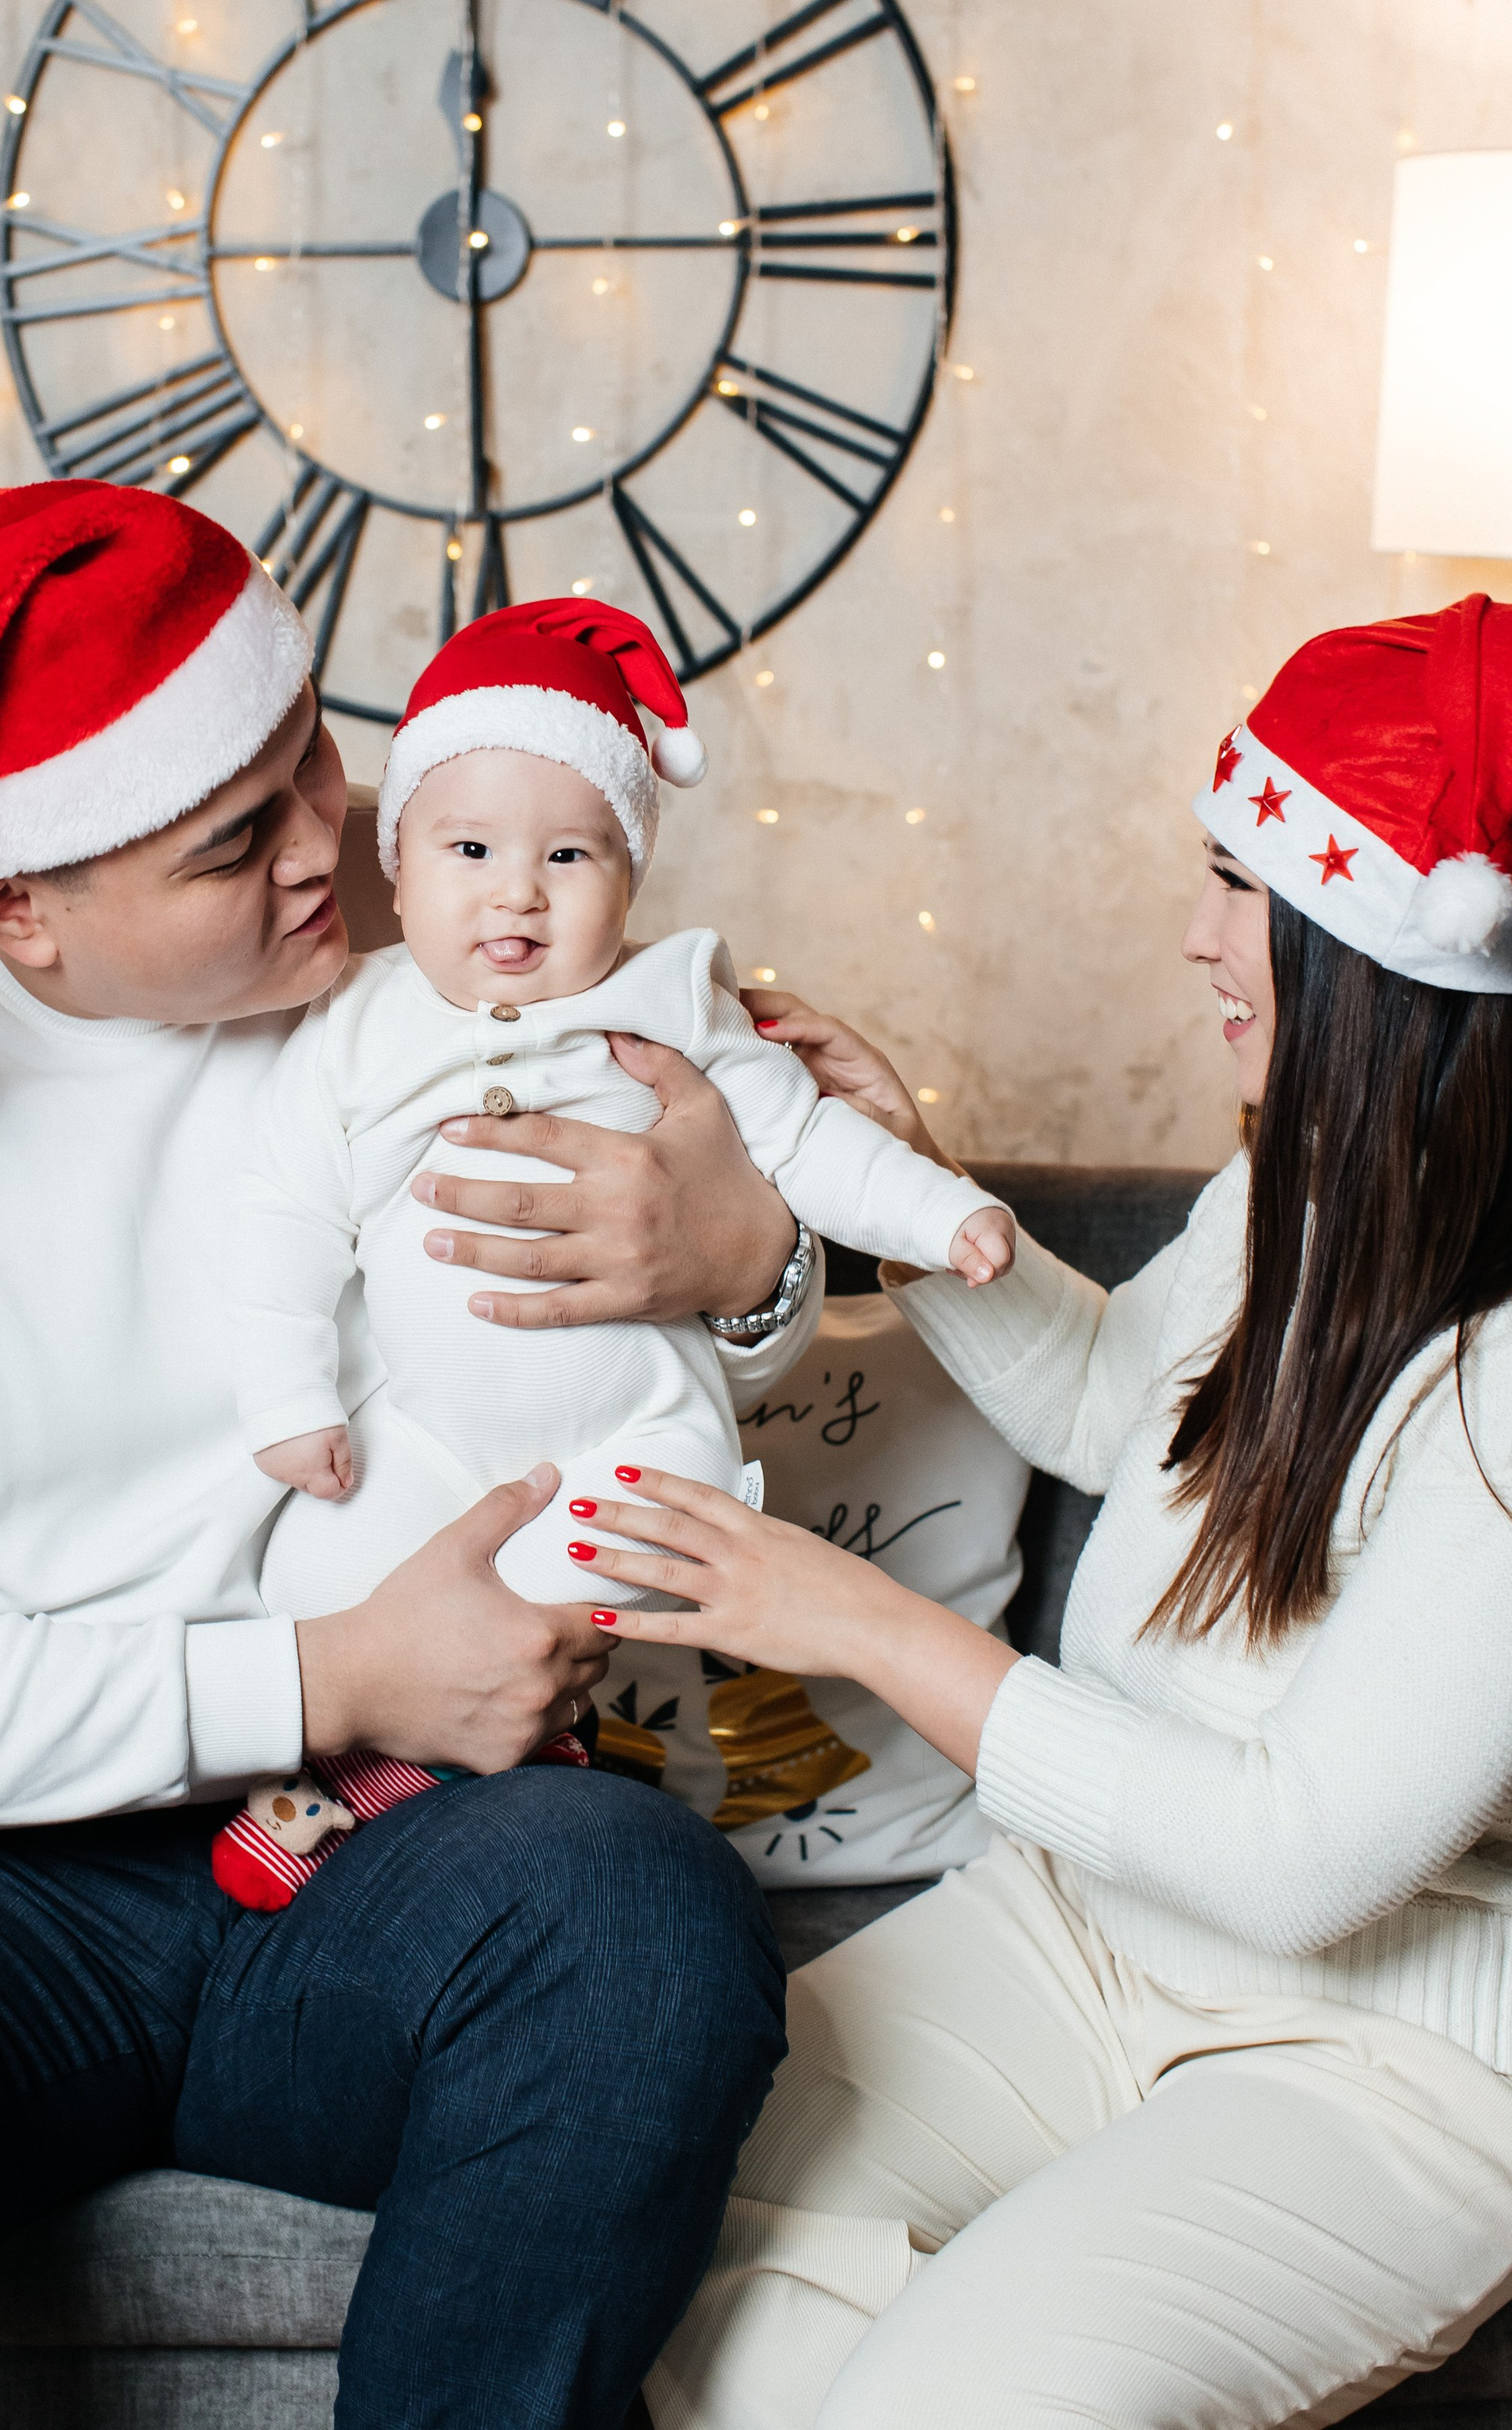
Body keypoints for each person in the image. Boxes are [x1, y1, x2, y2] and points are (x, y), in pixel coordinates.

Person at [0, 483, 822, 2430]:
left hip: (376, 1825)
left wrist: (759, 1260)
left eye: (313, 767)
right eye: (233, 840)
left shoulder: (435, 932)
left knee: (641, 1933)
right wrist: (336, 1665)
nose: (326, 853)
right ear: (6, 898)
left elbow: (705, 1228)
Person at [587, 595, 1512, 2430]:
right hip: (1078, 1932)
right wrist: (915, 1199)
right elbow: (1112, 1405)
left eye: (1234, 883)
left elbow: (1293, 1858)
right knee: (641, 2209)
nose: (1191, 935)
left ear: (1375, 949)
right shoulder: (1305, 1193)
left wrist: (850, 1620)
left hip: (1382, 2060)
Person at [214, 599, 1013, 1911]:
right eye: (468, 848)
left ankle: (394, 1790)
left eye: (571, 856)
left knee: (617, 1563)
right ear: (398, 867)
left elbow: (805, 1144)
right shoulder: (355, 1022)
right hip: (421, 1434)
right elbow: (286, 1218)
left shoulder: (674, 1004)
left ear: (631, 879)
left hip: (626, 1436)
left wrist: (942, 1214)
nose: (516, 891)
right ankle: (350, 1766)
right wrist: (289, 1402)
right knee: (317, 1557)